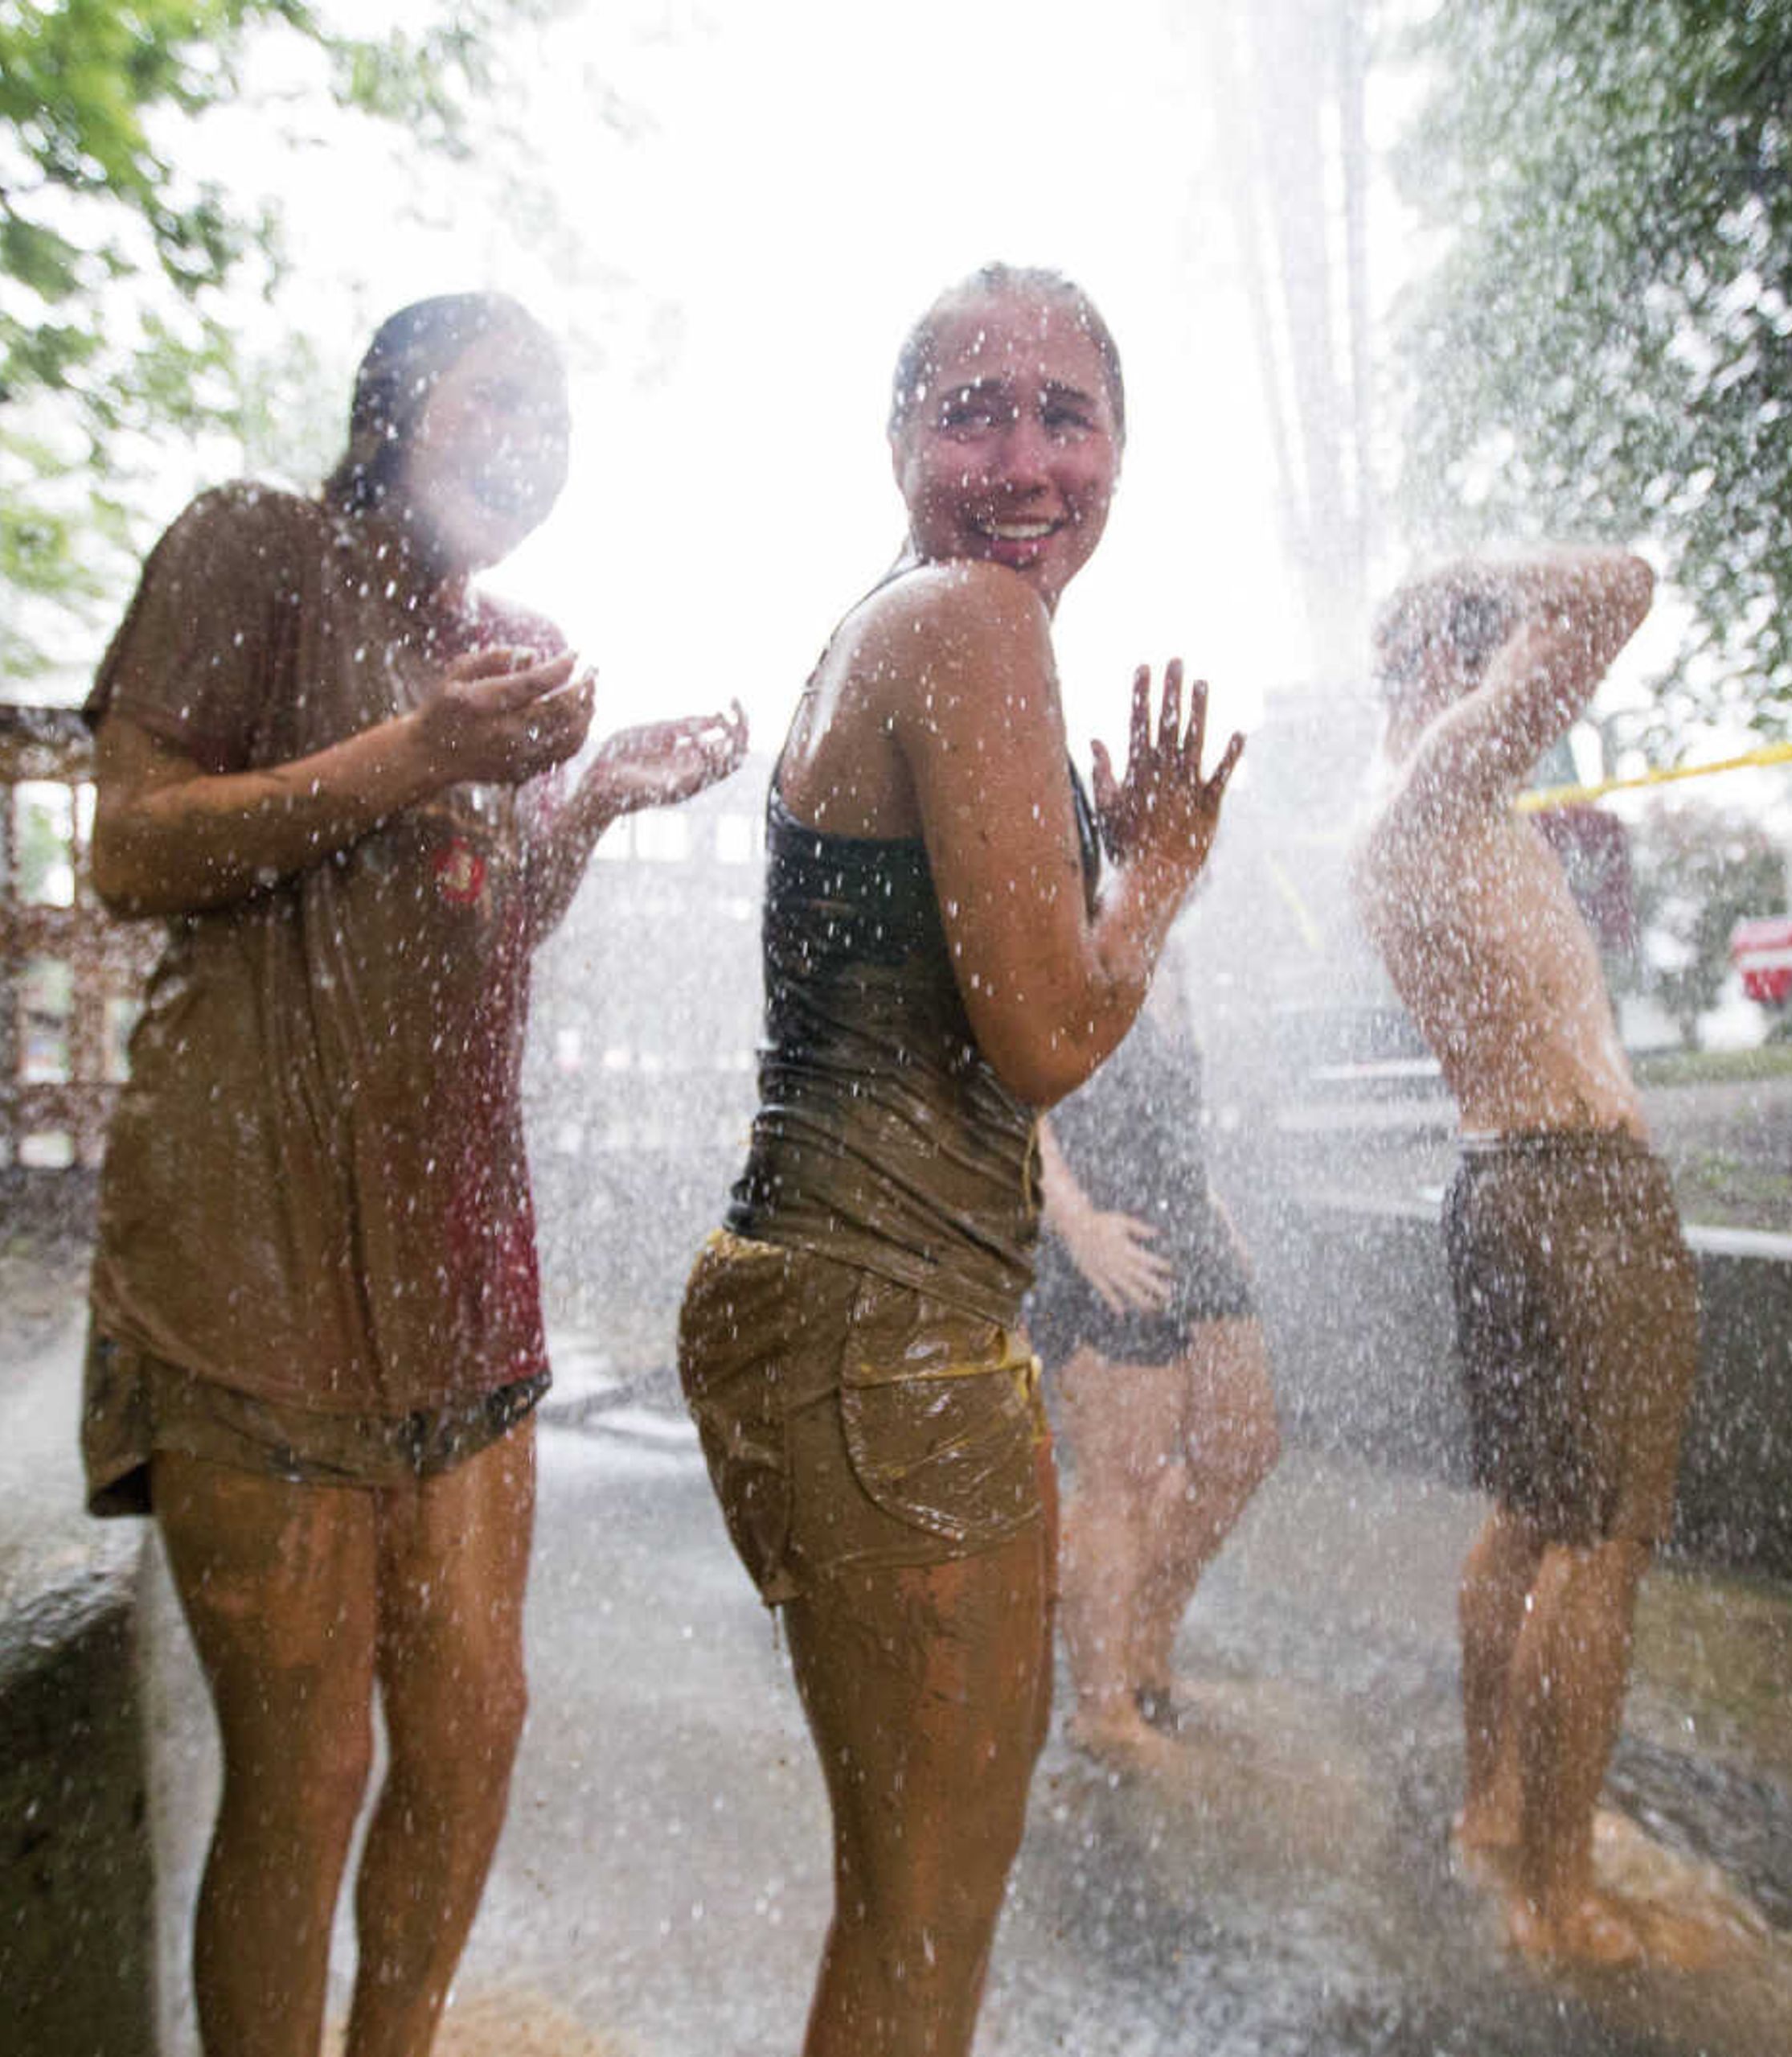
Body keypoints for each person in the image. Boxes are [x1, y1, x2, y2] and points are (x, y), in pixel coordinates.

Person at [79, 292, 747, 2057]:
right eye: (495, 397)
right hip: (251, 1254)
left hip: (454, 1268)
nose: (529, 435)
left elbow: (482, 924)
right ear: (391, 408)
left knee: (471, 1731)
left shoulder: (506, 641)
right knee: (309, 1767)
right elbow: (131, 847)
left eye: (559, 415)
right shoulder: (258, 549)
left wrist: (585, 801)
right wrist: (424, 753)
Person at [673, 265, 1240, 2057]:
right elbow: (1051, 1037)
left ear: (1122, 449)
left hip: (833, 1318)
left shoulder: (895, 627)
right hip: (890, 1342)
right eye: (971, 410)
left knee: (903, 1904)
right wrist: (1157, 873)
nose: (1022, 459)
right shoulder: (970, 624)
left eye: (1065, 415)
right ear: (897, 440)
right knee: (927, 1925)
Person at [1351, 548, 1690, 1969]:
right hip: (1580, 1185)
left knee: (1525, 1515)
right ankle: (1561, 1897)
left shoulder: (1397, 817)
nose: (1525, 691)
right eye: (1494, 663)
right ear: (1452, 668)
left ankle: (1496, 1806)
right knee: (1600, 1544)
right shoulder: (1444, 769)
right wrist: (1473, 582)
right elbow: (1621, 585)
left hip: (1496, 1176)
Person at [1028, 947, 1279, 1764]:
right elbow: (1014, 1089)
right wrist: (1075, 1224)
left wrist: (1209, 1203)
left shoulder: (1166, 942)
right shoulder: (1071, 906)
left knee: (1241, 1444)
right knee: (1122, 1478)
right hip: (1107, 1230)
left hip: (1186, 1220)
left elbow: (1166, 1107)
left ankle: (1145, 1643)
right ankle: (1104, 1708)